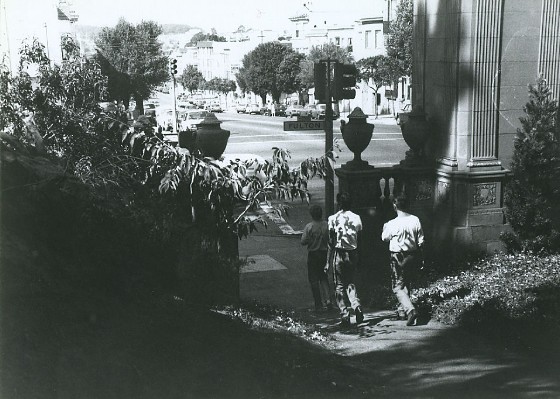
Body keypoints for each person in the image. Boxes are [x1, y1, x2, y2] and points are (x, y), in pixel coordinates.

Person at [381, 195, 425, 327]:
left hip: (397, 256)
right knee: (406, 282)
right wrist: (422, 257)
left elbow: (384, 238)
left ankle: (410, 310)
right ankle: (402, 311)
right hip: (412, 254)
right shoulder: (415, 220)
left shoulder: (392, 224)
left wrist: (385, 228)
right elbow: (421, 241)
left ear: (395, 206)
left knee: (397, 287)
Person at [325, 192, 364, 326]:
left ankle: (344, 315)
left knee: (339, 285)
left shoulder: (333, 219)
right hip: (352, 253)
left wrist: (327, 261)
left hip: (339, 253)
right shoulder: (356, 218)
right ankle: (356, 304)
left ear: (338, 203)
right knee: (351, 282)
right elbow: (360, 238)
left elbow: (331, 241)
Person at [301, 205, 333, 311]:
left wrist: (311, 240)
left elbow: (303, 241)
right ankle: (328, 300)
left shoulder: (309, 227)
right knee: (323, 278)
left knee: (314, 280)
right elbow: (330, 239)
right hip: (323, 253)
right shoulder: (326, 225)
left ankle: (318, 303)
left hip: (313, 254)